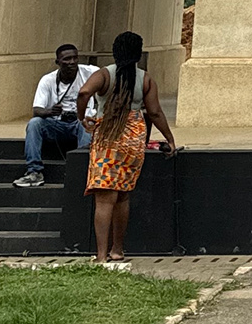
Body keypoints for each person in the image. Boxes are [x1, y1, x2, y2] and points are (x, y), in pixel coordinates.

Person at [76, 30, 174, 268]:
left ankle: (101, 256)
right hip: (133, 139)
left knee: (104, 198)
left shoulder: (104, 75)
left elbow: (84, 92)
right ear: (139, 54)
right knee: (122, 195)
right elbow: (155, 112)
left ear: (115, 52)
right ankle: (117, 250)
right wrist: (169, 139)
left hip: (108, 138)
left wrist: (82, 117)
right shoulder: (145, 79)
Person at [16, 42, 92, 188]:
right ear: (58, 62)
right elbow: (37, 110)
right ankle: (34, 172)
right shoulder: (47, 80)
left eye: (75, 58)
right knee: (34, 123)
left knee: (87, 123)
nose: (72, 62)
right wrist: (50, 111)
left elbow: (107, 77)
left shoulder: (89, 72)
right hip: (57, 123)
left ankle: (82, 172)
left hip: (79, 122)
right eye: (67, 59)